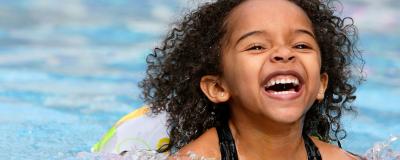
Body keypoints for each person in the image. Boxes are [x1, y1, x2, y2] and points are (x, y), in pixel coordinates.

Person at [139, 0, 364, 159]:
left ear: (321, 85)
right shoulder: (197, 158)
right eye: (256, 46)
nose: (284, 53)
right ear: (218, 87)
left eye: (301, 45)